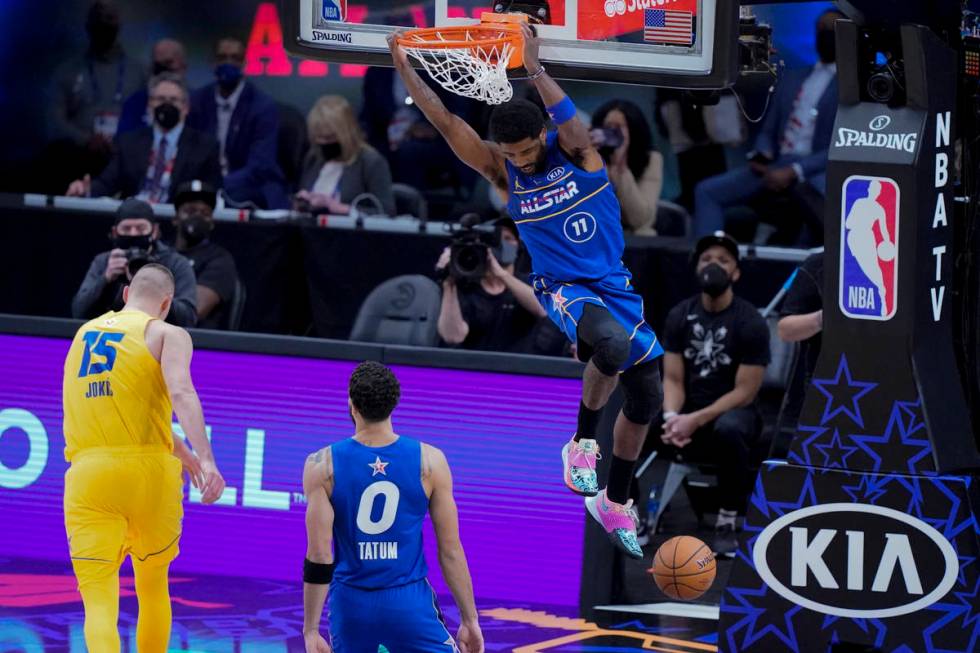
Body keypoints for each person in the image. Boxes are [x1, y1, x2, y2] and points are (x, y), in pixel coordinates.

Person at [390, 25, 664, 559]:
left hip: (614, 282)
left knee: (648, 395)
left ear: (542, 135)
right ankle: (581, 444)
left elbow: (569, 121)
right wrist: (404, 65)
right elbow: (445, 120)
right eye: (508, 153)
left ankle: (616, 497)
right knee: (608, 347)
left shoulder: (581, 156)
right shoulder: (503, 171)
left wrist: (534, 66)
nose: (517, 160)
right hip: (562, 286)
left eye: (523, 149)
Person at [62, 263, 225, 652]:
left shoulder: (83, 334)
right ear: (166, 303)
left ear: (124, 294)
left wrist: (185, 457)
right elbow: (182, 394)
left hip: (90, 473)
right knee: (152, 586)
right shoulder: (168, 332)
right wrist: (205, 459)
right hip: (149, 474)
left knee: (99, 601)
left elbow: (129, 409)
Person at [302, 361, 483, 653]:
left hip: (351, 602)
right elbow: (450, 550)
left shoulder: (321, 464)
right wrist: (470, 619)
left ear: (351, 404)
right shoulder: (430, 460)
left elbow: (319, 555)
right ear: (394, 403)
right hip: (408, 602)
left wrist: (310, 629)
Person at [660, 232, 770, 554]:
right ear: (696, 268)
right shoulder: (680, 315)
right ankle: (631, 511)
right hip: (688, 407)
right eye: (708, 259)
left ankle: (727, 519)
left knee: (730, 428)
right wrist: (671, 417)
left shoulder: (751, 322)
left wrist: (694, 420)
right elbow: (674, 379)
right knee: (635, 414)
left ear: (736, 272)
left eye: (723, 261)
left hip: (736, 412)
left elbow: (746, 392)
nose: (714, 266)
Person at [692, 9, 844, 237]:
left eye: (831, 30)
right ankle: (710, 254)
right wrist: (762, 154)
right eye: (821, 29)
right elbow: (769, 130)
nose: (825, 35)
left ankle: (808, 267)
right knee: (706, 191)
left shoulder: (850, 88)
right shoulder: (794, 77)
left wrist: (795, 171)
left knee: (825, 211)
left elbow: (839, 146)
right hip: (776, 163)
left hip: (817, 169)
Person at [66, 73, 221, 203]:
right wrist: (86, 189)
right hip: (133, 217)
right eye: (160, 99)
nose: (166, 105)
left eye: (173, 100)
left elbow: (210, 193)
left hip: (175, 219)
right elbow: (108, 182)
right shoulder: (128, 142)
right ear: (149, 105)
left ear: (186, 107)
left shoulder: (205, 146)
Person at [46, 0, 147, 190]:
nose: (104, 26)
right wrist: (85, 139)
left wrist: (123, 141)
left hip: (127, 154)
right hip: (78, 154)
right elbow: (54, 120)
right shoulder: (68, 71)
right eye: (99, 21)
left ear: (118, 26)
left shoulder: (139, 72)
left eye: (109, 20)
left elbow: (148, 117)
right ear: (88, 27)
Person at [186, 37, 288, 209]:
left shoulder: (262, 106)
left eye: (235, 58)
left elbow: (260, 165)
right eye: (222, 57)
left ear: (244, 63)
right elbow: (188, 150)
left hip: (249, 187)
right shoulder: (197, 102)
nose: (228, 62)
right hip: (205, 186)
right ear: (212, 62)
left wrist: (217, 184)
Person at [72, 198, 198, 326]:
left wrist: (151, 287)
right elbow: (78, 311)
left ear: (154, 231)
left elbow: (188, 318)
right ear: (115, 232)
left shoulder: (175, 263)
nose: (133, 234)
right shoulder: (104, 261)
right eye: (126, 229)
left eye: (141, 228)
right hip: (109, 334)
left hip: (155, 337)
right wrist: (106, 278)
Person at [436, 218, 546, 352]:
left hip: (518, 368)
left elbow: (543, 309)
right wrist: (448, 283)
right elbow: (453, 337)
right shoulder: (465, 286)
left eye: (508, 238)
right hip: (476, 367)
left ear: (519, 247)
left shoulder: (530, 282)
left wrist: (500, 274)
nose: (502, 244)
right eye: (496, 239)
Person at [295, 95, 395, 216]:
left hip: (349, 232)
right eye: (318, 137)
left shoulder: (370, 162)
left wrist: (338, 207)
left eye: (329, 137)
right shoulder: (314, 159)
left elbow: (386, 213)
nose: (323, 143)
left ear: (346, 134)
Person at [172, 180, 240, 329]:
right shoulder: (162, 253)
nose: (197, 217)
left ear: (212, 222)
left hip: (198, 342)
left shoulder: (220, 259)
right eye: (190, 211)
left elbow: (194, 310)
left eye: (205, 213)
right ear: (175, 218)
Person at [590, 99, 664, 235]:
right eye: (608, 127)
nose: (612, 133)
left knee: (645, 231)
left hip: (632, 234)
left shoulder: (652, 159)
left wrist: (621, 169)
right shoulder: (588, 155)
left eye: (618, 127)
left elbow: (641, 219)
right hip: (596, 228)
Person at [117, 39, 189, 136]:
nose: (163, 69)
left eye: (168, 63)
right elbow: (124, 139)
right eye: (157, 64)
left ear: (183, 66)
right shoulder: (135, 102)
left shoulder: (197, 102)